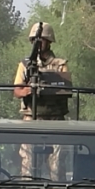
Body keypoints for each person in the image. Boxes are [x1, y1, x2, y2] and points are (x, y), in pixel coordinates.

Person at [12, 22, 73, 178]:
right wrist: (28, 90)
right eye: (34, 41)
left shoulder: (60, 65)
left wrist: (48, 87)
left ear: (49, 41)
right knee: (28, 161)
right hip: (31, 117)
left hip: (55, 118)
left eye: (41, 41)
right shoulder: (25, 65)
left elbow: (66, 89)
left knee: (57, 162)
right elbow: (17, 90)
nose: (37, 44)